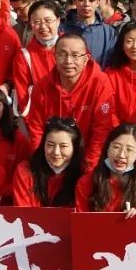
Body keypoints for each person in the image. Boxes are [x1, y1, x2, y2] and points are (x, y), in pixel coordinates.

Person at [26, 34, 117, 171]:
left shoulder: (100, 83)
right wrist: (42, 164)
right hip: (53, 159)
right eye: (62, 54)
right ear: (54, 56)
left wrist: (89, 168)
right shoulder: (42, 86)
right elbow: (36, 129)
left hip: (87, 159)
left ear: (86, 59)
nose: (68, 61)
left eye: (75, 55)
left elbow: (101, 132)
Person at [75, 123, 136, 215]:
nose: (121, 155)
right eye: (116, 147)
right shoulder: (85, 182)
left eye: (129, 150)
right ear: (107, 148)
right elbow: (82, 219)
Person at [12, 117, 84, 208]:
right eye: (50, 145)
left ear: (75, 148)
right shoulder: (26, 171)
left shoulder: (83, 174)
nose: (56, 152)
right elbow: (23, 211)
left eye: (63, 146)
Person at [11, 0, 61, 119]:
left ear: (58, 21)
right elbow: (23, 97)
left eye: (48, 20)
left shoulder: (74, 47)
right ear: (30, 24)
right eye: (36, 22)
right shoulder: (24, 56)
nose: (43, 26)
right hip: (39, 119)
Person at [63, 0, 117, 68]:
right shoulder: (61, 29)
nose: (86, 4)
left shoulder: (110, 33)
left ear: (97, 2)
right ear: (74, 0)